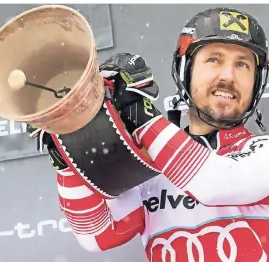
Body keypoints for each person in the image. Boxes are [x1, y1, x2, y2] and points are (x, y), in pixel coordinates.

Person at [29, 7, 269, 262]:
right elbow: (98, 234)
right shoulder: (152, 162)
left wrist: (139, 115)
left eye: (242, 64)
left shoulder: (263, 151)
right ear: (184, 70)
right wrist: (67, 148)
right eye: (214, 59)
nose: (228, 76)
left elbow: (215, 183)